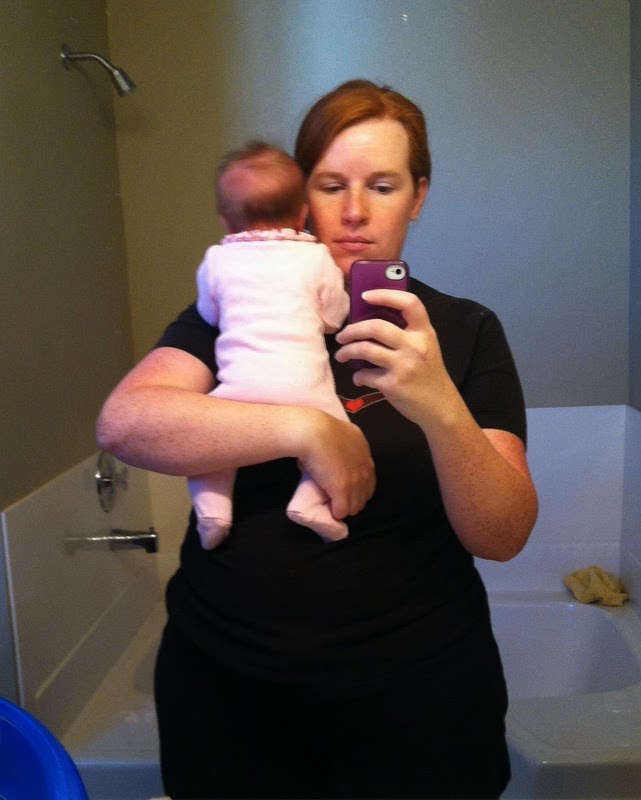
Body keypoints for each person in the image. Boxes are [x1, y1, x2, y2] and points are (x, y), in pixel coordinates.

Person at [96, 79, 538, 799]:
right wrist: (306, 428)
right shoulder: (237, 307)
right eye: (331, 185)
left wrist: (440, 407)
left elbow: (502, 534)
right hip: (228, 696)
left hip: (419, 703)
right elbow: (125, 423)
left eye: (383, 186)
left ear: (418, 196)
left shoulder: (464, 330)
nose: (355, 211)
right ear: (302, 197)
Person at [189, 140, 350, 549]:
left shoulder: (217, 260)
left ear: (225, 222)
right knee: (344, 439)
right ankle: (310, 503)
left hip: (238, 392)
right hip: (306, 392)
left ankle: (213, 512)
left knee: (208, 447)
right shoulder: (316, 258)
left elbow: (209, 313)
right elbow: (334, 317)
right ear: (303, 214)